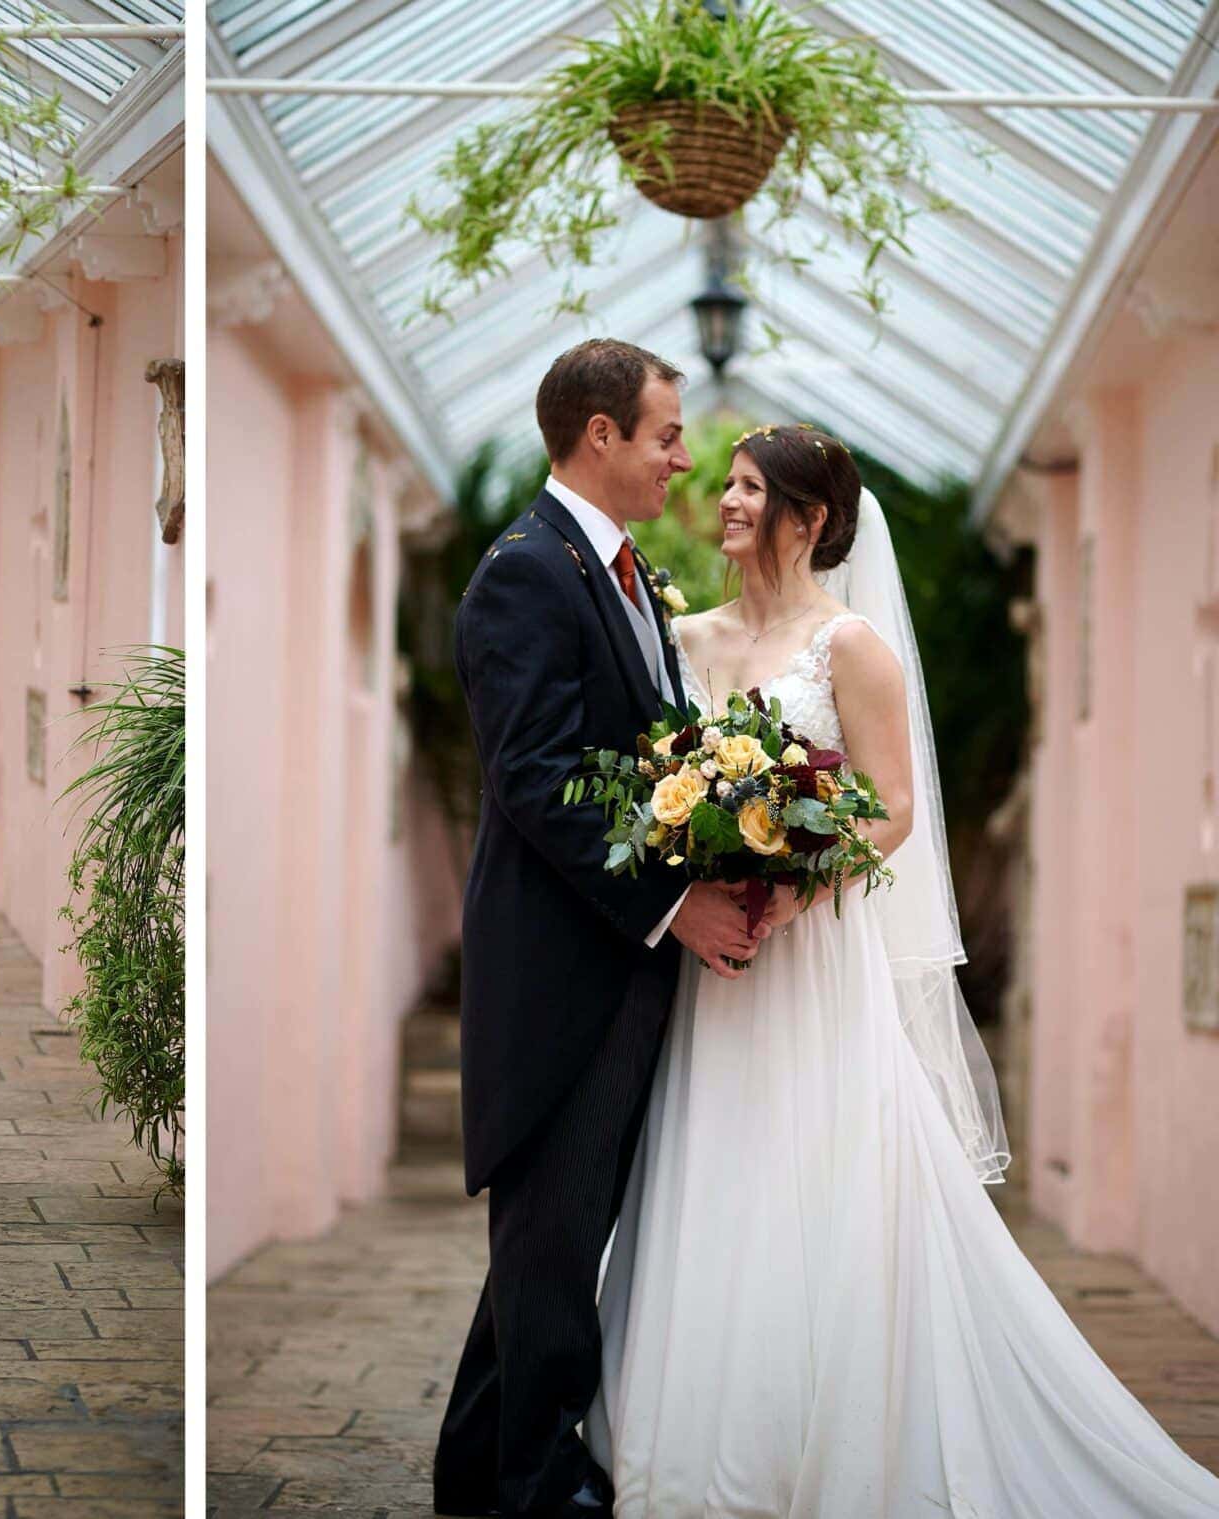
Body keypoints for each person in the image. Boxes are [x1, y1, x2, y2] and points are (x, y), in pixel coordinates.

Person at [588, 424, 1219, 1517]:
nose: (723, 501)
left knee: (811, 1169)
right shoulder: (677, 638)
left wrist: (791, 887)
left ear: (809, 517)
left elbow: (888, 811)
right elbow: (653, 785)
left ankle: (821, 1437)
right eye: (726, 484)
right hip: (710, 962)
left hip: (808, 956)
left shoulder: (850, 649)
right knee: (709, 1161)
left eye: (746, 488)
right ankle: (690, 1439)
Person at [435, 340, 766, 1518]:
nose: (683, 459)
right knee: (551, 1243)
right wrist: (674, 903)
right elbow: (535, 776)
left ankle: (477, 1472)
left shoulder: (617, 570)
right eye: (668, 436)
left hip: (610, 963)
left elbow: (638, 764)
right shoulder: (525, 572)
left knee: (549, 1244)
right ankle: (530, 1488)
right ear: (599, 437)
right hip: (563, 970)